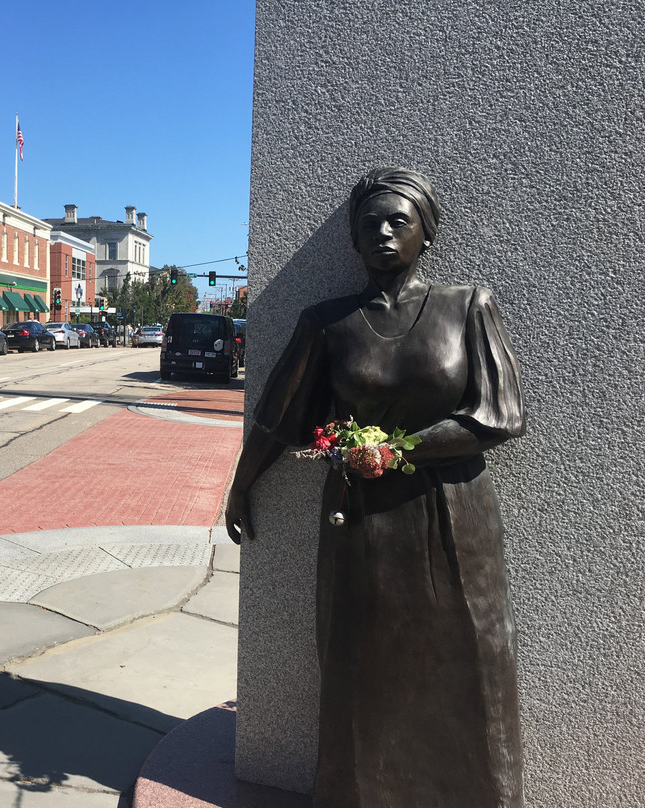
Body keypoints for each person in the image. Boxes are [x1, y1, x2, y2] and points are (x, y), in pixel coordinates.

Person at [225, 168, 526, 807]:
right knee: (360, 664)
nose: (383, 233)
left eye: (398, 221)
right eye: (369, 225)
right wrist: (241, 485)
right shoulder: (329, 324)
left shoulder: (467, 304)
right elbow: (280, 416)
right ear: (353, 242)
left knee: (470, 657)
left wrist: (399, 449)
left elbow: (500, 416)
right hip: (359, 521)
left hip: (453, 515)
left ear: (426, 234)